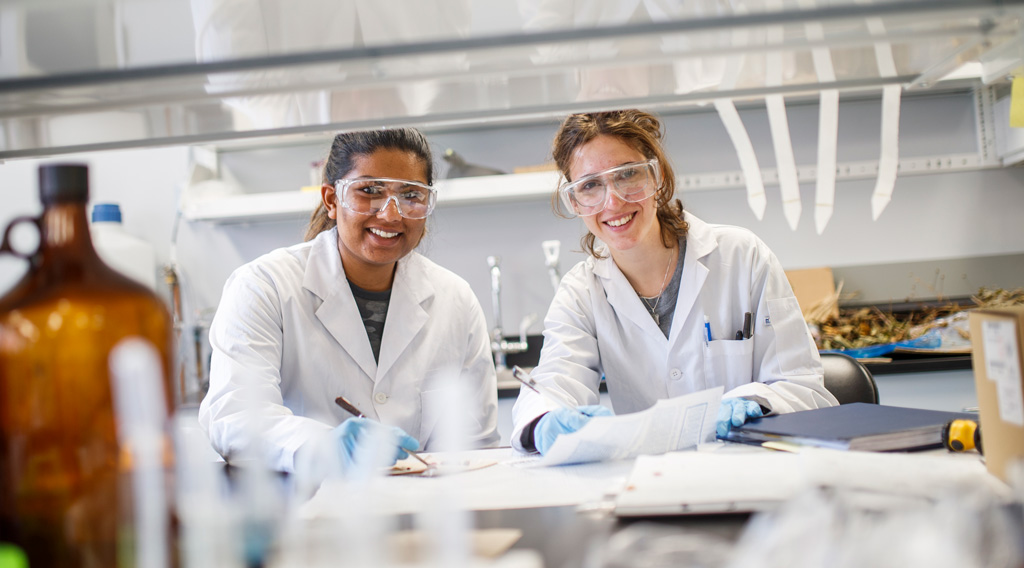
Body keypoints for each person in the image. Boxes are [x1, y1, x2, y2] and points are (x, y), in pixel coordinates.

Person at [511, 109, 838, 455]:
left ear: (657, 177)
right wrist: (545, 421)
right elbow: (552, 384)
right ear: (575, 201)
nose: (614, 201)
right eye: (590, 185)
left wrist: (752, 403)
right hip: (645, 481)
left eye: (627, 174)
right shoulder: (581, 293)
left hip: (749, 472)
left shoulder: (743, 257)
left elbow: (804, 388)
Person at [199, 128, 500, 473]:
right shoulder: (264, 287)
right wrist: (322, 446)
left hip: (426, 510)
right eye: (369, 191)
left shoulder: (454, 299)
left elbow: (477, 443)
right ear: (331, 199)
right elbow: (236, 416)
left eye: (411, 195)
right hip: (305, 505)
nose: (390, 215)